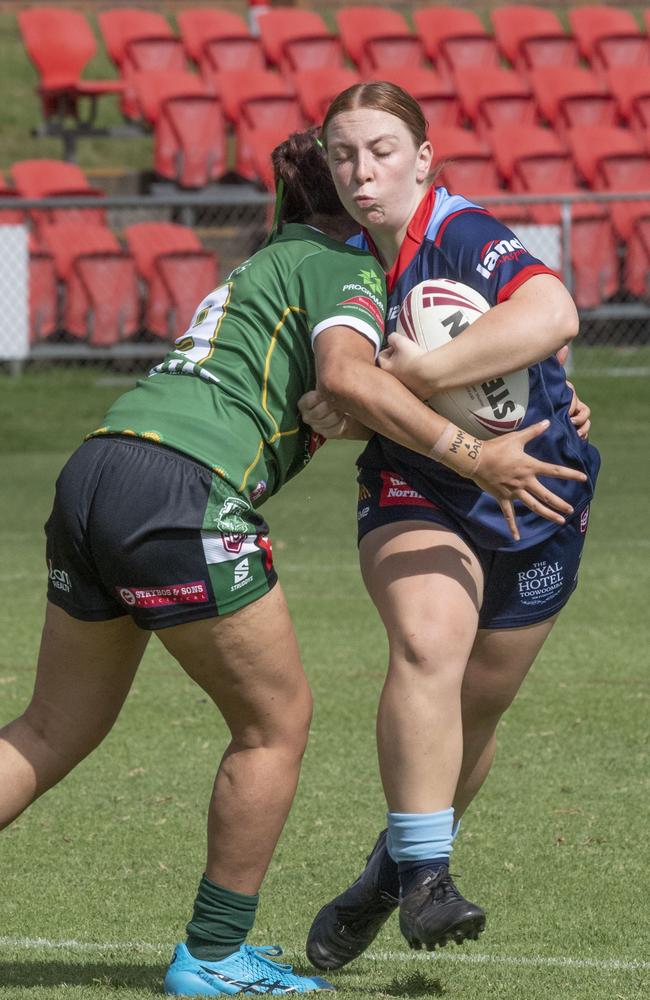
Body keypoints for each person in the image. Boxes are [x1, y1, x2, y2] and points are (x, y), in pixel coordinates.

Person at [0, 131, 584, 998]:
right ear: (348, 206)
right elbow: (349, 377)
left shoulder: (273, 258)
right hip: (183, 492)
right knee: (276, 724)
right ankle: (213, 955)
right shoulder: (341, 267)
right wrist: (472, 454)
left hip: (98, 465)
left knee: (49, 729)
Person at [300, 83, 600, 970]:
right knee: (430, 648)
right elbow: (334, 406)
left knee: (474, 709)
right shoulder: (343, 263)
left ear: (424, 159)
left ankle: (386, 878)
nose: (363, 172)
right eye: (345, 155)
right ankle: (431, 878)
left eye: (383, 150)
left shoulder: (462, 230)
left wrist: (413, 379)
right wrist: (362, 405)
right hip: (416, 488)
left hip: (542, 498)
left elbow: (555, 315)